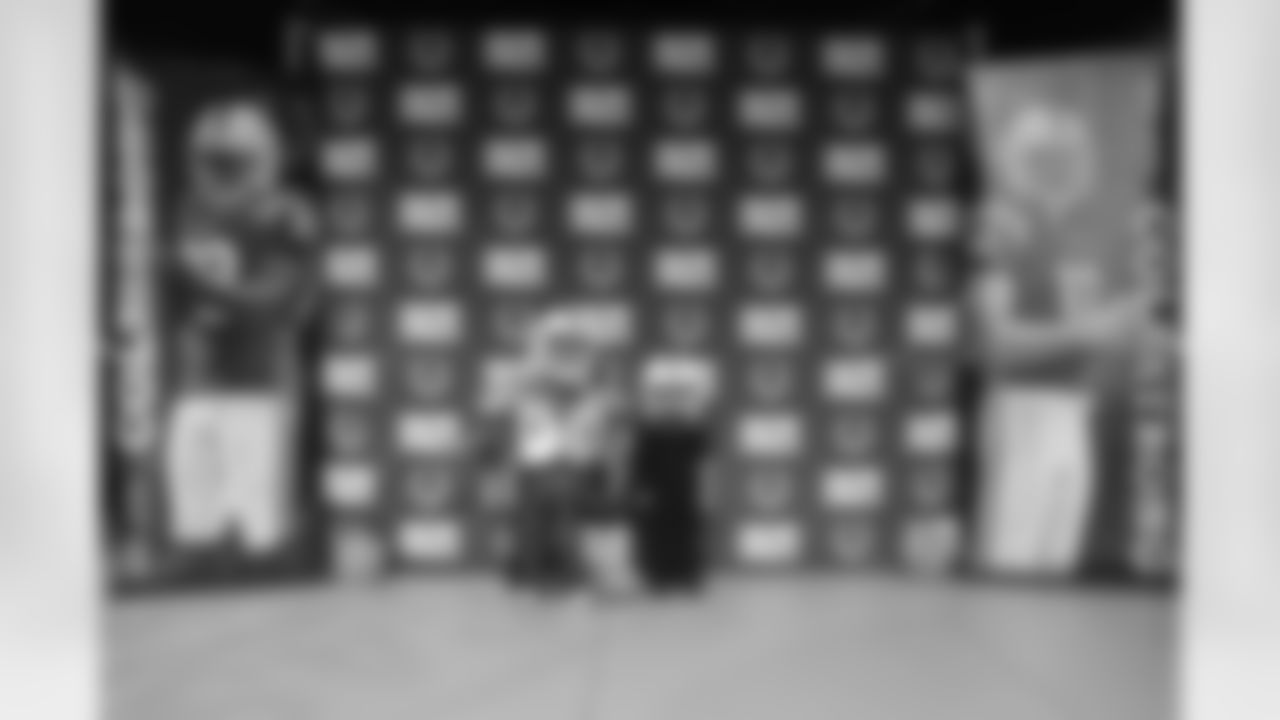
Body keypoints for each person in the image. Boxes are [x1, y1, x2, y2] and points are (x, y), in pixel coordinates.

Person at [163, 96, 316, 562]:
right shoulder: (192, 209)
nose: (221, 173)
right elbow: (183, 298)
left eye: (233, 162)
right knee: (194, 517)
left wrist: (199, 282)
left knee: (254, 525)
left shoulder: (286, 214)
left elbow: (273, 300)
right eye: (213, 161)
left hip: (257, 383)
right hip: (197, 379)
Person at [476, 308, 619, 595]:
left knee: (569, 518)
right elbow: (500, 416)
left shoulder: (595, 384)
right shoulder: (525, 380)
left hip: (577, 462)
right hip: (536, 462)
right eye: (558, 343)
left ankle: (571, 571)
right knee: (533, 521)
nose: (564, 350)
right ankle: (533, 571)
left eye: (571, 343)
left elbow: (601, 422)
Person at [626, 357, 717, 594]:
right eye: (667, 395)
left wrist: (706, 492)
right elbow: (641, 464)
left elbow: (704, 464)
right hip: (657, 492)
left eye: (677, 395)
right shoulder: (649, 430)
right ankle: (658, 576)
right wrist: (641, 490)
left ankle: (687, 575)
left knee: (687, 532)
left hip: (686, 491)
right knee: (657, 533)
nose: (672, 400)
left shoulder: (695, 430)